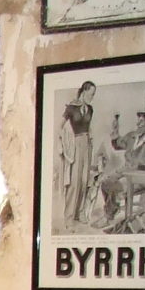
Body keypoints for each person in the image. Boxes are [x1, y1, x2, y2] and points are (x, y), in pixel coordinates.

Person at [57, 81, 96, 228]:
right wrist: (62, 142)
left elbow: (88, 126)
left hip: (87, 145)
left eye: (94, 95)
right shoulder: (71, 107)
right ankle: (68, 217)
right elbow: (60, 126)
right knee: (74, 182)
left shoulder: (91, 109)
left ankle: (80, 213)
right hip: (75, 144)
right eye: (91, 94)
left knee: (85, 181)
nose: (92, 97)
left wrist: (91, 138)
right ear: (84, 92)